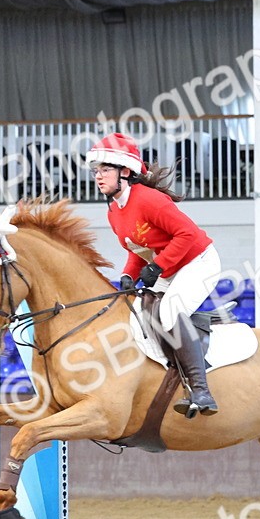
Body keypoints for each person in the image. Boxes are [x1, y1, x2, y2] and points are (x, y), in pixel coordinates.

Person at [86, 132, 220, 417]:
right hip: (171, 267)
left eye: (105, 170)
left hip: (199, 262)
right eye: (96, 171)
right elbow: (137, 249)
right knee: (139, 312)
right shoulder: (114, 212)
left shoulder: (149, 200)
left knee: (170, 311)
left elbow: (187, 234)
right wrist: (127, 275)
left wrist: (157, 268)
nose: (98, 177)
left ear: (125, 171)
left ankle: (201, 390)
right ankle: (169, 376)